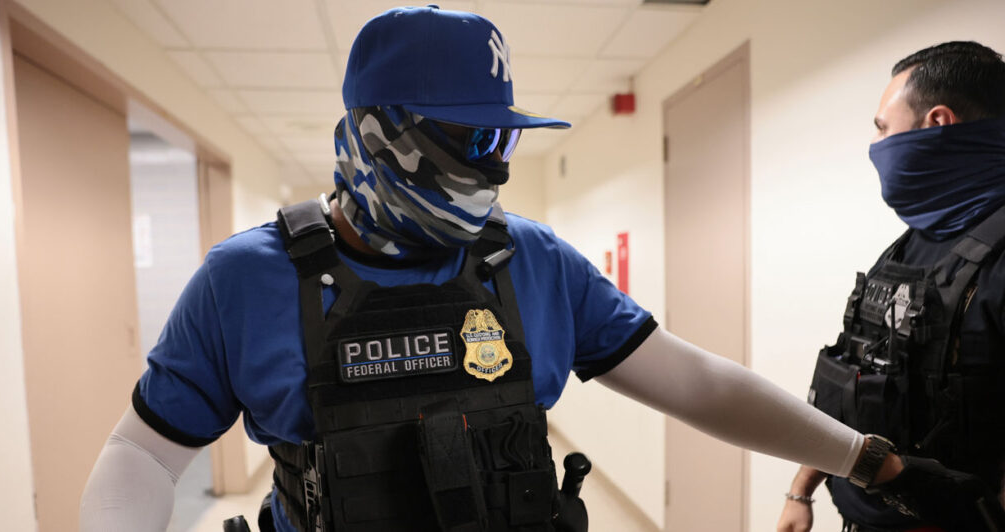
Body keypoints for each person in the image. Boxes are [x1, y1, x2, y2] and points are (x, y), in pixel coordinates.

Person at [80, 7, 979, 532]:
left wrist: (867, 460)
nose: (495, 167)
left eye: (504, 137)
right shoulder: (247, 279)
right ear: (376, 132)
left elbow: (698, 383)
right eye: (471, 139)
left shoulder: (532, 261)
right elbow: (142, 452)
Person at [778, 41, 1005, 532]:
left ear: (937, 123)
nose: (877, 144)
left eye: (883, 128)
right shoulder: (912, 244)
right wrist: (802, 488)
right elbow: (861, 375)